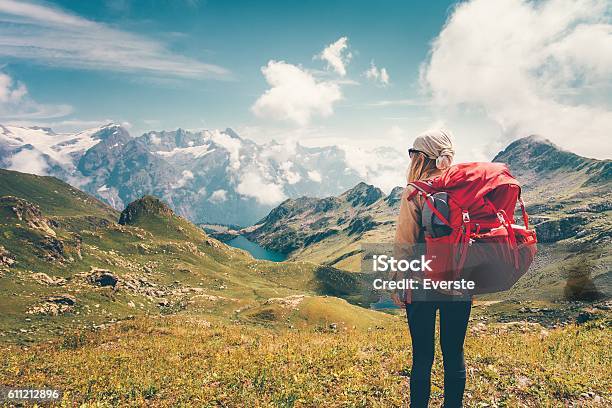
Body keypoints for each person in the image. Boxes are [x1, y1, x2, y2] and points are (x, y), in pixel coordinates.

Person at [393, 129, 471, 408]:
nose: (410, 158)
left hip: (421, 283)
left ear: (422, 159)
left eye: (412, 153)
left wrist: (397, 282)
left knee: (423, 356)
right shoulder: (466, 190)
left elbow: (405, 244)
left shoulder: (414, 192)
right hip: (460, 282)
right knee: (454, 352)